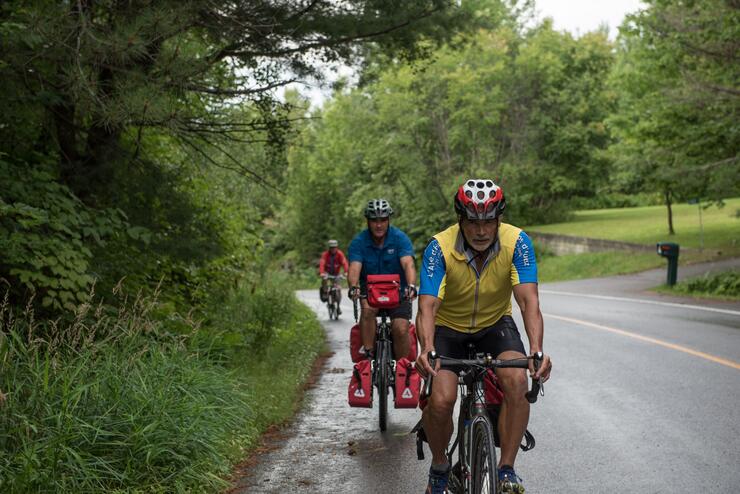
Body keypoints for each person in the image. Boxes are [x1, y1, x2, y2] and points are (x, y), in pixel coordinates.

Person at [415, 179, 552, 494]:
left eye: (488, 221)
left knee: (517, 381)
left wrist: (536, 350)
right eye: (473, 222)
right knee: (442, 399)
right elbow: (427, 306)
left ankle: (506, 471)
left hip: (494, 324)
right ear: (460, 219)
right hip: (448, 328)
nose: (480, 230)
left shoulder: (517, 242)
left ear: (498, 219)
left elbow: (529, 301)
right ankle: (439, 467)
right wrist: (427, 348)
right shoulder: (440, 247)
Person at [347, 199, 417, 360]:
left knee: (400, 328)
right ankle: (369, 356)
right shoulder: (359, 242)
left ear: (388, 220)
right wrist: (353, 286)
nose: (379, 225)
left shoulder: (400, 238)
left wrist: (412, 285)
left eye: (383, 220)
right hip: (371, 293)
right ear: (368, 221)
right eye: (374, 220)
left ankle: (402, 369)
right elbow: (354, 268)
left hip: (398, 292)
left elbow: (408, 264)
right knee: (367, 311)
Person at [319, 239, 349, 314]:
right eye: (331, 247)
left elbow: (344, 263)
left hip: (336, 274)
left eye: (334, 247)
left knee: (338, 289)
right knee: (324, 279)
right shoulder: (325, 255)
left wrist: (346, 272)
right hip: (327, 273)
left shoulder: (340, 254)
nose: (333, 249)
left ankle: (338, 307)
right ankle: (325, 293)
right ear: (329, 248)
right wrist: (322, 273)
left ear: (337, 247)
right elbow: (322, 263)